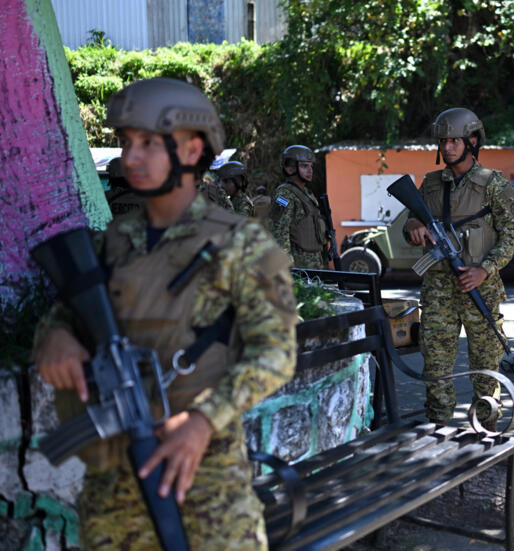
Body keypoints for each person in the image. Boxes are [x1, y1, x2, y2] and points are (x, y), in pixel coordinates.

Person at [33, 77, 297, 548]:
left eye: (149, 143)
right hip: (113, 484)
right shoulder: (112, 242)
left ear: (194, 150)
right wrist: (54, 336)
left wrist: (201, 420)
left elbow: (276, 353)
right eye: (126, 142)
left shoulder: (241, 243)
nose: (130, 157)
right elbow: (66, 315)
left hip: (204, 479)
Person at [404, 107, 514, 428]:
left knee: (485, 369)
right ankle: (439, 430)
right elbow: (408, 226)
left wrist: (485, 269)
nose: (448, 147)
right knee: (436, 369)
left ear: (472, 141)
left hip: (480, 288)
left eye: (454, 140)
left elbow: (510, 238)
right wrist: (413, 225)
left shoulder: (494, 184)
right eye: (443, 141)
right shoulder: (429, 184)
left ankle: (487, 433)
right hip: (438, 291)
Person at [268, 145, 331, 269]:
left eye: (311, 166)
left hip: (315, 262)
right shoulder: (285, 194)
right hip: (298, 264)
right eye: (304, 166)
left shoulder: (308, 194)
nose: (310, 170)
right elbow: (279, 230)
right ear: (290, 168)